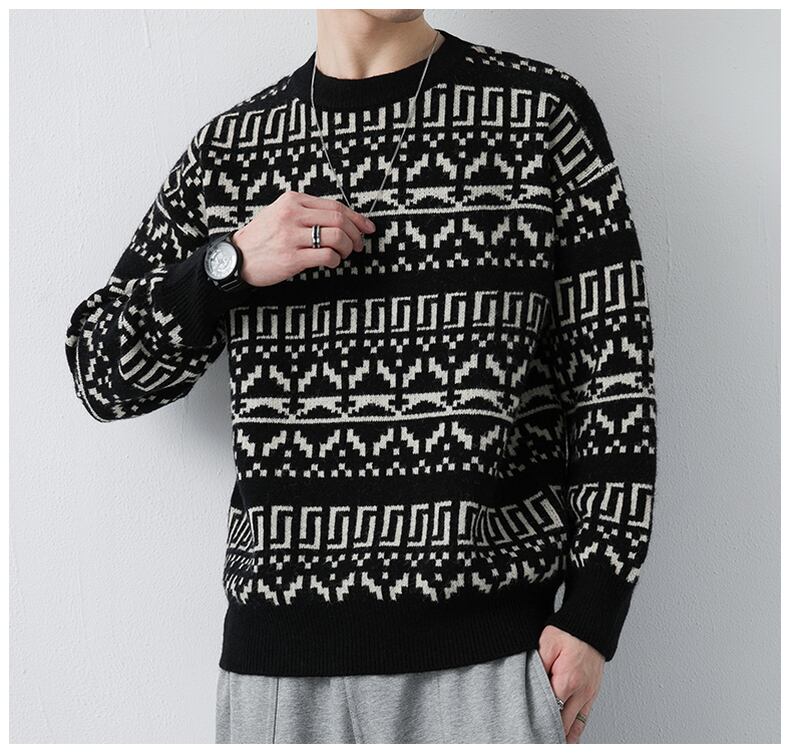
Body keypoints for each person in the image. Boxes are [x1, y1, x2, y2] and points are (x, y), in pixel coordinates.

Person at [64, 8, 657, 745]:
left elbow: (614, 385)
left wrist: (594, 615)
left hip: (489, 664)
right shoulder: (233, 152)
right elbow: (99, 371)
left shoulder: (541, 119)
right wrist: (230, 263)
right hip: (280, 676)